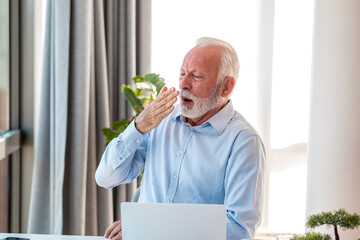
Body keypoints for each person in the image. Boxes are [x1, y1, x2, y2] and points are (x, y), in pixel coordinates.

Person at [95, 37, 266, 240]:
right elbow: (106, 178)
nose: (183, 84)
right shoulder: (159, 120)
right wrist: (138, 127)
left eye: (196, 76)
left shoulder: (244, 141)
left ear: (226, 87)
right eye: (182, 73)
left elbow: (239, 228)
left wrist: (151, 230)